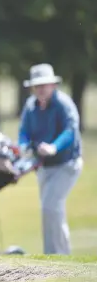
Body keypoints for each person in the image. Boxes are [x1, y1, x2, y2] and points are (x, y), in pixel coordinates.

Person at [18, 63, 83, 255]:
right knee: (53, 211)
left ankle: (54, 255)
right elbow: (24, 132)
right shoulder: (31, 106)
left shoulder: (63, 104)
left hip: (67, 165)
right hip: (44, 166)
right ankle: (61, 255)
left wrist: (54, 147)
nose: (40, 89)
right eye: (37, 86)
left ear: (53, 85)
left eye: (44, 85)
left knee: (50, 207)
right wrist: (23, 146)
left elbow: (70, 130)